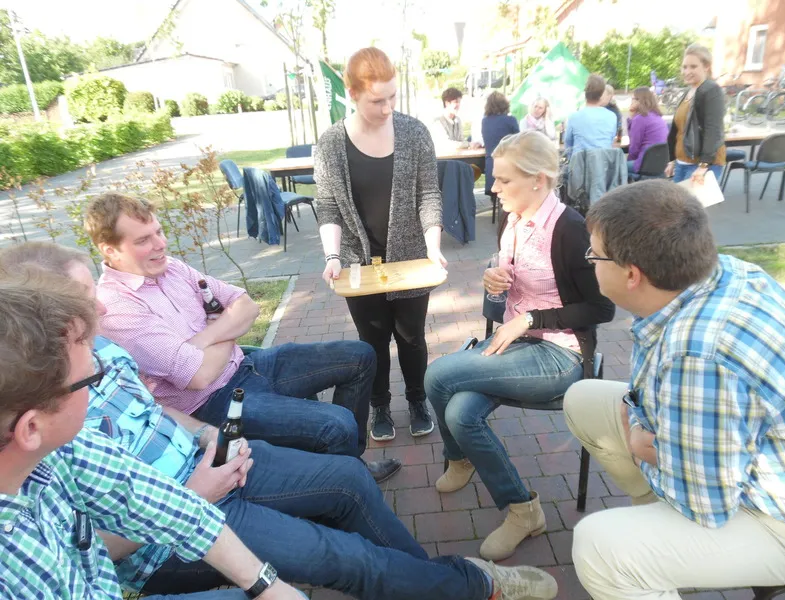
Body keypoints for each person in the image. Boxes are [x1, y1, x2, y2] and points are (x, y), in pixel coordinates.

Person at [0, 242, 559, 600]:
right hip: (185, 508)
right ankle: (465, 584)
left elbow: (166, 397)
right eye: (83, 299)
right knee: (344, 544)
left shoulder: (92, 356)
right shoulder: (54, 424)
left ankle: (430, 584)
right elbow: (195, 377)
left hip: (212, 448)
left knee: (348, 474)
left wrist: (208, 436)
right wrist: (199, 489)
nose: (98, 306)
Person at [0, 270, 306, 600]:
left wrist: (264, 584)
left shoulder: (62, 450)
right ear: (31, 428)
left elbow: (158, 502)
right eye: (91, 379)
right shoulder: (11, 568)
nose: (100, 386)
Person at [566, 179, 785, 599]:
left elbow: (706, 504)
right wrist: (647, 433)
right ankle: (659, 525)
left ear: (632, 274)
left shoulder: (697, 353)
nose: (590, 263)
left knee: (600, 547)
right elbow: (646, 395)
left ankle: (651, 552)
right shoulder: (723, 272)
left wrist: (642, 448)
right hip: (755, 458)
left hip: (784, 518)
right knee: (584, 399)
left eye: (594, 255)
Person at [85, 192, 401, 483]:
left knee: (360, 356)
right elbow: (199, 376)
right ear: (110, 250)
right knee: (337, 423)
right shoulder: (118, 308)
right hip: (213, 403)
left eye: (159, 232)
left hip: (248, 365)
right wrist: (228, 327)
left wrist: (205, 338)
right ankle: (344, 482)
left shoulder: (172, 269)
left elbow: (246, 306)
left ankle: (348, 464)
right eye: (144, 240)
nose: (160, 244)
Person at [425, 131, 616, 561]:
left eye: (504, 180)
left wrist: (530, 319)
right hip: (515, 345)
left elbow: (602, 308)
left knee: (437, 374)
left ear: (538, 180)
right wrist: (494, 278)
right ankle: (523, 510)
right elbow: (510, 279)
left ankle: (458, 458)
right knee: (459, 413)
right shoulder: (512, 219)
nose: (493, 188)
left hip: (560, 355)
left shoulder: (571, 229)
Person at [315, 47, 447, 442]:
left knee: (412, 336)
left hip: (410, 260)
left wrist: (433, 246)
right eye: (377, 100)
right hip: (359, 264)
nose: (388, 108)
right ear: (353, 93)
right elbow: (327, 205)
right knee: (372, 342)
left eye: (393, 96)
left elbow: (429, 194)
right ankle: (380, 406)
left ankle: (418, 400)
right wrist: (332, 256)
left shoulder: (414, 133)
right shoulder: (331, 144)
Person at [666, 43, 726, 183]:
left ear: (706, 67)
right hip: (682, 162)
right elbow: (679, 130)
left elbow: (713, 129)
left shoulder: (711, 90)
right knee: (677, 198)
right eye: (684, 67)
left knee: (692, 198)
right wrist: (672, 160)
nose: (687, 71)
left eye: (693, 67)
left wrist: (703, 165)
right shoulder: (687, 92)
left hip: (702, 164)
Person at [482, 91, 520, 214]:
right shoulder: (511, 120)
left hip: (491, 166)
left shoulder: (485, 121)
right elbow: (518, 141)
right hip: (509, 164)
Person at [564, 74, 617, 157]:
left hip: (579, 162)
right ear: (602, 93)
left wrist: (572, 159)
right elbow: (610, 141)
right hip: (604, 162)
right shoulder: (612, 117)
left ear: (585, 92)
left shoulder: (574, 117)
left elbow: (568, 143)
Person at [626, 86, 669, 175]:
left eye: (633, 99)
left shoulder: (640, 118)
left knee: (615, 167)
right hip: (660, 164)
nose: (631, 102)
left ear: (639, 100)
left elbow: (634, 147)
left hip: (644, 163)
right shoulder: (657, 116)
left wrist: (628, 161)